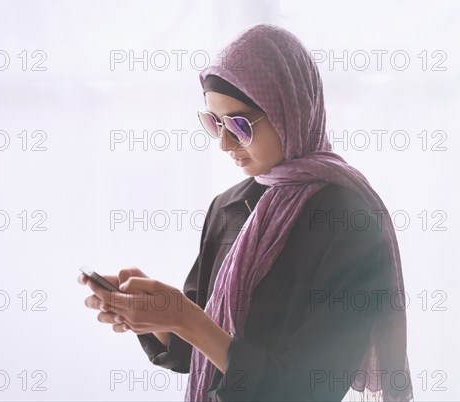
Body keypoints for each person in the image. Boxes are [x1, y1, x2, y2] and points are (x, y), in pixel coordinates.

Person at [79, 23, 413, 402]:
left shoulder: (350, 220)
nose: (224, 143)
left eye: (239, 124)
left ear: (292, 112)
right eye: (214, 123)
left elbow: (311, 389)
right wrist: (154, 313)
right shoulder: (229, 207)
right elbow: (195, 352)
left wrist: (186, 319)